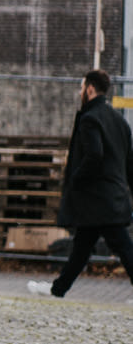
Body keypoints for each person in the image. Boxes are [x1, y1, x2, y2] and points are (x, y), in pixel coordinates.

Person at [28, 69, 133, 299]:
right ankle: (58, 290)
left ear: (90, 89)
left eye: (81, 87)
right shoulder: (120, 121)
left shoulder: (90, 119)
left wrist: (76, 178)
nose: (79, 92)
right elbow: (129, 164)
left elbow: (94, 156)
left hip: (99, 200)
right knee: (82, 248)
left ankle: (58, 289)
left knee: (124, 248)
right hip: (109, 200)